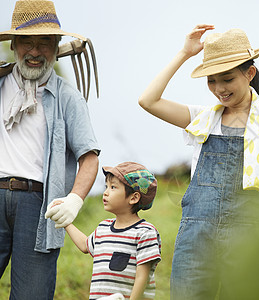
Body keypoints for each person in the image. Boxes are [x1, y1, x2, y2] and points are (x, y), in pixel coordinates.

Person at [138, 24, 259, 299]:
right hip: (196, 237)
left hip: (251, 240)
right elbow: (148, 100)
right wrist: (184, 53)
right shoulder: (202, 119)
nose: (219, 89)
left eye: (226, 79)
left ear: (250, 73)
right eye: (211, 80)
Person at [0, 1, 100, 299]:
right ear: (14, 45)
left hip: (39, 207)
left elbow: (89, 157)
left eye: (44, 42)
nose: (35, 51)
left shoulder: (68, 98)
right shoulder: (1, 83)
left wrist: (75, 199)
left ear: (57, 48)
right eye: (27, 42)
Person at [49, 162, 161, 300]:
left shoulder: (145, 232)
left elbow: (142, 276)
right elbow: (85, 245)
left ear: (134, 198)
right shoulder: (103, 227)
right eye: (106, 186)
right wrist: (65, 220)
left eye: (113, 187)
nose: (106, 192)